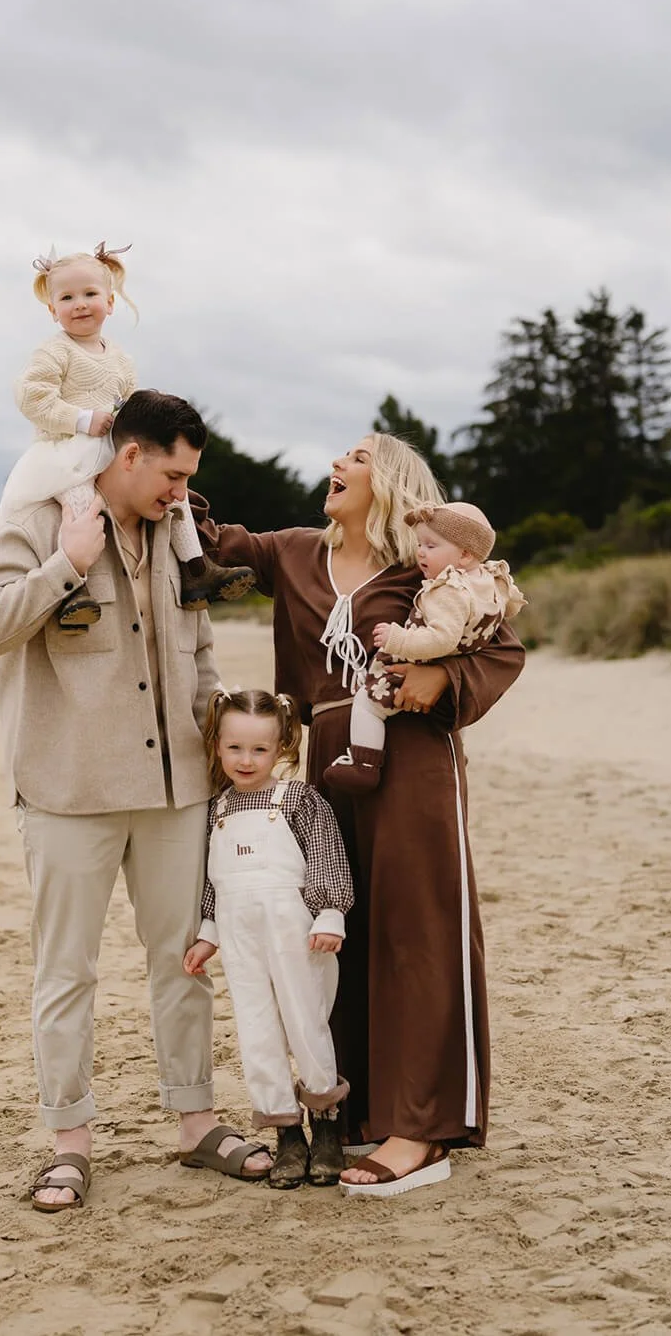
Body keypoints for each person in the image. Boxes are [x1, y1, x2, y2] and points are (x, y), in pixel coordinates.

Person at [191, 432, 525, 1198]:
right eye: (339, 455)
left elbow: (500, 647)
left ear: (395, 481)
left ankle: (422, 1130)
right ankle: (370, 1105)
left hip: (412, 759)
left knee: (417, 930)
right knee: (341, 928)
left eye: (357, 457)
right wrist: (133, 433)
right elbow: (203, 537)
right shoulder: (293, 552)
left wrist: (441, 681)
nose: (336, 465)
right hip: (327, 759)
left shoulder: (427, 568)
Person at [0, 390, 271, 1213]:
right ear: (129, 454)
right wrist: (64, 562)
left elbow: (199, 647)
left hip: (178, 790)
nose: (182, 491)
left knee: (186, 963)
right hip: (68, 791)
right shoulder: (37, 520)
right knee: (67, 974)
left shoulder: (178, 541)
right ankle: (69, 1144)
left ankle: (197, 1123)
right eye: (172, 473)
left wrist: (222, 752)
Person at [0, 243, 253, 630]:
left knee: (177, 501)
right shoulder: (55, 353)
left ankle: (197, 570)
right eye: (67, 297)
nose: (80, 304)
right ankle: (73, 590)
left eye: (90, 294)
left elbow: (129, 407)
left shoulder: (120, 358)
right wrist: (81, 419)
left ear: (110, 302)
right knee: (81, 507)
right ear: (53, 311)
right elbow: (31, 396)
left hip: (111, 447)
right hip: (66, 451)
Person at [183, 689, 353, 1190]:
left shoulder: (298, 800)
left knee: (306, 1024)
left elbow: (327, 855)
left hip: (297, 934)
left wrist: (329, 913)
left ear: (282, 748)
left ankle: (325, 1128)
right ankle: (286, 1133)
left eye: (259, 749)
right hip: (240, 938)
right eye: (235, 748)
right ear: (217, 746)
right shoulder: (215, 810)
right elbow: (213, 881)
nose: (246, 760)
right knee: (256, 1029)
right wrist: (208, 932)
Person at [324, 501, 527, 793]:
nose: (420, 552)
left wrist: (398, 639)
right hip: (457, 666)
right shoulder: (489, 581)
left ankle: (364, 764)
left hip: (418, 665)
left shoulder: (448, 590)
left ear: (465, 554)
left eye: (431, 546)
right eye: (420, 544)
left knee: (368, 703)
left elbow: (441, 639)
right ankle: (461, 751)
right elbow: (509, 606)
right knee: (456, 708)